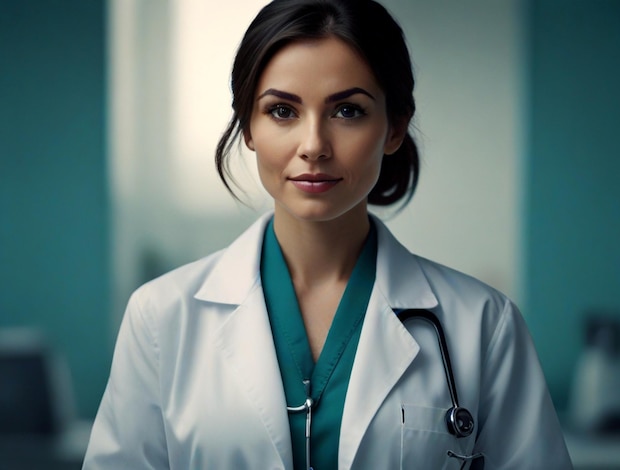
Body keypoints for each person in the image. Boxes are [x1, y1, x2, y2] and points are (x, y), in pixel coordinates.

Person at [83, 0, 573, 468]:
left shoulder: (483, 325)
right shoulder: (161, 318)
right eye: (282, 111)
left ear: (395, 128)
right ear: (248, 127)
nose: (313, 145)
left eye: (348, 111)